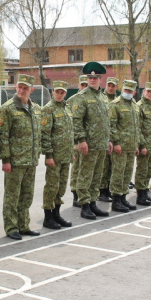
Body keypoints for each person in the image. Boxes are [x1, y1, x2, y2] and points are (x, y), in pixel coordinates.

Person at [0, 74, 42, 239]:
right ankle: (11, 227)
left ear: (32, 90)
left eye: (25, 88)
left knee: (27, 195)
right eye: (19, 87)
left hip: (30, 160)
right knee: (12, 196)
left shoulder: (36, 109)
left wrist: (36, 155)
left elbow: (38, 134)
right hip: (15, 162)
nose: (22, 90)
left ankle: (23, 225)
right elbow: (2, 136)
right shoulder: (7, 108)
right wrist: (6, 160)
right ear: (15, 87)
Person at [72, 62, 113, 219]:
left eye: (95, 78)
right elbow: (77, 121)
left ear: (100, 79)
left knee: (97, 176)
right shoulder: (82, 97)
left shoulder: (103, 97)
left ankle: (93, 203)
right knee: (85, 175)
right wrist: (81, 140)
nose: (92, 80)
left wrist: (108, 140)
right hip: (88, 144)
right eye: (90, 77)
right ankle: (84, 205)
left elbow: (106, 121)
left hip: (101, 144)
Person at [41, 80, 74, 229]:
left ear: (65, 93)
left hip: (65, 155)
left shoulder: (67, 108)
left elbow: (69, 132)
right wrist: (48, 155)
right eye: (57, 92)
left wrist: (71, 152)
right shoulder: (48, 109)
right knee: (52, 186)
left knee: (61, 186)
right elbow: (45, 134)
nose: (59, 95)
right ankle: (48, 217)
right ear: (52, 92)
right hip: (54, 156)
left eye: (62, 92)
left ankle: (56, 214)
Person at [108, 80, 140, 211]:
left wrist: (136, 144)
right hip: (120, 146)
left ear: (134, 92)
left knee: (127, 173)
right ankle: (116, 200)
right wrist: (115, 142)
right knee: (118, 173)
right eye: (126, 90)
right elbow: (112, 125)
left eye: (130, 91)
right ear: (121, 90)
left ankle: (123, 198)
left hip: (131, 145)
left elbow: (136, 127)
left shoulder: (135, 105)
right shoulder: (115, 104)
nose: (127, 92)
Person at [134, 83, 151, 206]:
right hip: (145, 145)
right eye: (148, 91)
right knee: (142, 170)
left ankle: (145, 192)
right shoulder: (139, 106)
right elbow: (138, 128)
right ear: (144, 91)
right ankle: (140, 195)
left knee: (150, 170)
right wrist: (142, 145)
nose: (150, 94)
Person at [68, 75, 89, 207]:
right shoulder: (72, 100)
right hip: (77, 141)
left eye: (86, 85)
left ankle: (85, 194)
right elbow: (71, 122)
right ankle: (75, 194)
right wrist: (75, 142)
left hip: (89, 140)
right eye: (82, 85)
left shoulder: (91, 99)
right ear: (78, 85)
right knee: (76, 168)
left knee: (86, 169)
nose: (84, 87)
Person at [98, 77, 119, 202]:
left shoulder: (117, 100)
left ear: (117, 87)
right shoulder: (101, 98)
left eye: (113, 86)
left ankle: (108, 188)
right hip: (104, 137)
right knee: (104, 166)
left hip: (114, 138)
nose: (110, 88)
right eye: (109, 85)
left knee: (112, 165)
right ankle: (102, 190)